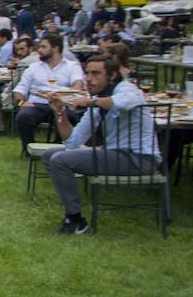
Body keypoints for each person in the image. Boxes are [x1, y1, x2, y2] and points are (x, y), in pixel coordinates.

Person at [43, 55, 161, 234]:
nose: (89, 79)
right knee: (50, 155)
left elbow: (124, 103)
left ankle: (75, 220)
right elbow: (72, 141)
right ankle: (73, 210)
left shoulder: (126, 88)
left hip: (140, 158)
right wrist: (60, 114)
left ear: (112, 76)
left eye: (96, 74)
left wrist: (91, 101)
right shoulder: (99, 101)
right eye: (87, 73)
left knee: (60, 160)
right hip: (115, 154)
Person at [12, 33, 84, 148]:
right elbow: (19, 90)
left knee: (71, 116)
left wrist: (62, 95)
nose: (39, 50)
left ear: (55, 48)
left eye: (43, 47)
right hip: (37, 104)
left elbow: (78, 86)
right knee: (23, 116)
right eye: (39, 47)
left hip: (62, 104)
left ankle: (59, 147)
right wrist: (21, 102)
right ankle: (29, 149)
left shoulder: (72, 66)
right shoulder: (34, 67)